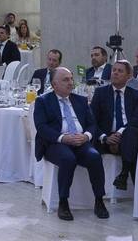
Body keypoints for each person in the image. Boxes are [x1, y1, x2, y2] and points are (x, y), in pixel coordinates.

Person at [35, 69, 109, 220]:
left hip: (80, 140)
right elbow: (41, 127)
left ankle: (99, 200)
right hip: (56, 142)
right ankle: (63, 202)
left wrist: (86, 136)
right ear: (54, 83)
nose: (70, 83)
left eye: (71, 79)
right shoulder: (43, 101)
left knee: (95, 157)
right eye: (65, 80)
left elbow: (92, 124)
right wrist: (63, 138)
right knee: (68, 159)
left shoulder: (80, 100)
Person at [90, 59, 138, 191]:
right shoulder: (100, 93)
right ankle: (129, 182)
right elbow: (92, 120)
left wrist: (119, 134)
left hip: (126, 136)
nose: (115, 73)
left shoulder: (135, 95)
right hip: (105, 138)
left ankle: (124, 174)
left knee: (131, 132)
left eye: (120, 71)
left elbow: (136, 119)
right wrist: (106, 138)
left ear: (129, 76)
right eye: (114, 70)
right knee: (133, 146)